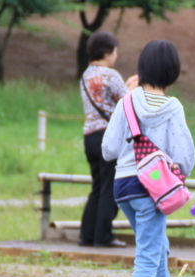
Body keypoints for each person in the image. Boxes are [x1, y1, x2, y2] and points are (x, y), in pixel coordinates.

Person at [102, 40, 195, 277]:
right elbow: (184, 157)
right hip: (151, 190)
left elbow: (108, 149)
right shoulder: (173, 107)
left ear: (142, 68)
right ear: (172, 72)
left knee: (157, 247)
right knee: (148, 253)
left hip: (123, 187)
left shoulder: (126, 102)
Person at [80, 31, 130, 248]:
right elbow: (127, 104)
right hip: (107, 136)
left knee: (98, 185)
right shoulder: (111, 75)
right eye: (115, 50)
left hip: (89, 136)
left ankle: (87, 234)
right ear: (107, 52)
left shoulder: (85, 76)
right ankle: (104, 236)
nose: (116, 55)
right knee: (110, 186)